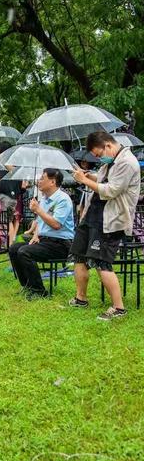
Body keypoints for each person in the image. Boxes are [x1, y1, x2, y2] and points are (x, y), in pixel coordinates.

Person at [70, 131, 141, 320]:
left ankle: (118, 308)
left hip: (111, 220)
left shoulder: (127, 162)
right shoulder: (111, 161)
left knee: (102, 262)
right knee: (79, 255)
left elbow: (111, 190)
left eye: (99, 155)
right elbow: (101, 180)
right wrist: (88, 176)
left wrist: (84, 181)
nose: (100, 159)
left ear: (108, 146)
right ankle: (80, 298)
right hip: (92, 215)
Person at [9, 168, 74, 299]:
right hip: (45, 240)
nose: (39, 181)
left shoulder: (63, 199)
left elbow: (56, 225)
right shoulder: (44, 198)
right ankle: (27, 286)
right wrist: (35, 235)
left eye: (42, 178)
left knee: (25, 252)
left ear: (52, 182)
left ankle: (39, 291)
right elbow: (40, 223)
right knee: (14, 249)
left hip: (61, 244)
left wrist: (38, 210)